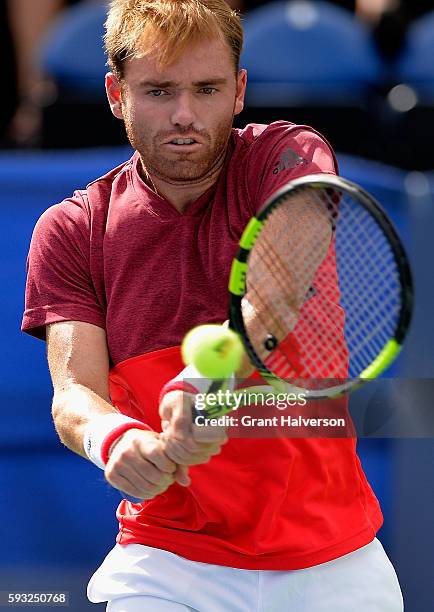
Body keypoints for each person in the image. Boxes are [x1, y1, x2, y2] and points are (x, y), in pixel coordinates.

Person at [22, 1, 404, 610]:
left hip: (336, 560)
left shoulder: (291, 158)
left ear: (239, 90)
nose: (184, 115)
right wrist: (114, 441)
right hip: (166, 561)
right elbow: (74, 395)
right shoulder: (71, 230)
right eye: (158, 90)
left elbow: (272, 302)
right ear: (116, 94)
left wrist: (203, 381)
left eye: (207, 89)